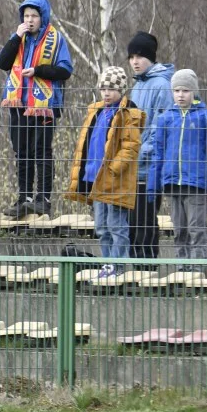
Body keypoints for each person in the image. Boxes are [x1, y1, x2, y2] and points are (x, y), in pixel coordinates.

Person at [0, 0, 73, 218]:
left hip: (46, 104)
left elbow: (65, 70)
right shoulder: (18, 39)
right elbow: (2, 63)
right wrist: (16, 36)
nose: (30, 20)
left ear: (43, 17)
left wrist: (39, 70)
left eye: (34, 16)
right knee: (22, 151)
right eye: (26, 16)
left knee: (41, 151)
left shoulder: (56, 39)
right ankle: (24, 197)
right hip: (19, 104)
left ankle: (43, 198)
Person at [66, 67, 143, 278]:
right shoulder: (97, 111)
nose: (106, 93)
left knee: (116, 225)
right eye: (103, 88)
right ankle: (108, 264)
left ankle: (119, 265)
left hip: (114, 179)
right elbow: (87, 144)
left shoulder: (129, 112)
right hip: (95, 178)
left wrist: (113, 168)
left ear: (121, 90)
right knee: (101, 226)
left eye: (111, 88)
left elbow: (131, 146)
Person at [149, 69, 207, 270]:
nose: (180, 95)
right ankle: (182, 268)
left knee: (197, 229)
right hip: (173, 184)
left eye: (185, 90)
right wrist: (152, 186)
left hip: (196, 185)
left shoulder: (206, 118)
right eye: (176, 90)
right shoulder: (166, 119)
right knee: (179, 229)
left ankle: (198, 270)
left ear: (194, 92)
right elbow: (158, 154)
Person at [126, 32, 174, 261]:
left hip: (149, 166)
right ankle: (135, 265)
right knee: (132, 222)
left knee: (144, 220)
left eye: (140, 56)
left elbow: (160, 128)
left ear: (151, 58)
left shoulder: (162, 86)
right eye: (131, 57)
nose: (135, 61)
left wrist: (139, 151)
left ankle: (145, 267)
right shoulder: (138, 85)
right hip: (133, 165)